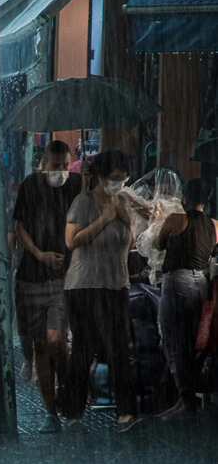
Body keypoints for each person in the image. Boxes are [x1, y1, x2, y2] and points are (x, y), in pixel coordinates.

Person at [63, 149, 142, 433]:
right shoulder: (82, 202)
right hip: (84, 286)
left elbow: (130, 243)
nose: (119, 183)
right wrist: (104, 218)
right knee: (84, 349)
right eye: (114, 178)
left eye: (123, 178)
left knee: (119, 349)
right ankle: (73, 412)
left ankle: (126, 413)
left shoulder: (122, 202)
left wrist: (126, 220)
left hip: (116, 284)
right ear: (101, 176)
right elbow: (72, 241)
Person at [12, 140, 81, 433]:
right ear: (43, 164)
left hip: (64, 277)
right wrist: (39, 254)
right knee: (41, 345)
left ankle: (69, 398)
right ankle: (50, 411)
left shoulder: (77, 184)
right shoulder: (30, 185)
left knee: (57, 340)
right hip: (31, 276)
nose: (61, 172)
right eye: (55, 166)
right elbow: (18, 227)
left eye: (65, 166)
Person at [154, 178, 216, 420]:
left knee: (173, 340)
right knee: (193, 341)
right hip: (201, 284)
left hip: (177, 282)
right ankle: (188, 397)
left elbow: (158, 244)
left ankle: (185, 400)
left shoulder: (177, 219)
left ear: (185, 198)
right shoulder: (214, 225)